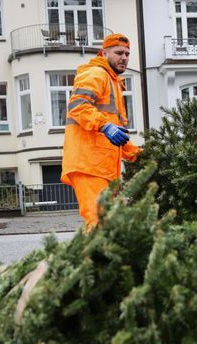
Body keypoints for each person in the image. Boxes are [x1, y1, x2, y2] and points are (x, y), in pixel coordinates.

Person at [61, 33, 141, 229]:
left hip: (101, 165)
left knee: (107, 223)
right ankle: (89, 259)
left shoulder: (114, 82)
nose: (124, 57)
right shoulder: (97, 74)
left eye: (127, 54)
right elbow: (78, 106)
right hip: (89, 164)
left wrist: (136, 155)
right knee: (99, 223)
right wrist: (105, 126)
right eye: (119, 53)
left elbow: (117, 132)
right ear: (104, 53)